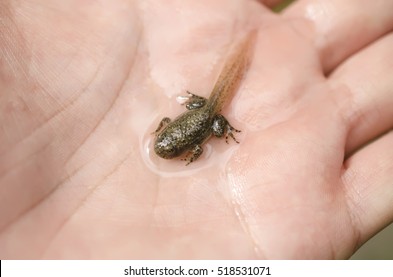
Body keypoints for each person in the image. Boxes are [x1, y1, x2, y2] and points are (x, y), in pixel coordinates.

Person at [0, 0, 392, 259]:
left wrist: (214, 135)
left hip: (208, 111)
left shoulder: (185, 132)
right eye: (164, 145)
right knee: (212, 112)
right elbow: (177, 132)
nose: (163, 145)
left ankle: (222, 116)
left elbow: (194, 144)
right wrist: (189, 135)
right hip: (203, 107)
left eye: (164, 145)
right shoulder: (171, 132)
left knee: (218, 119)